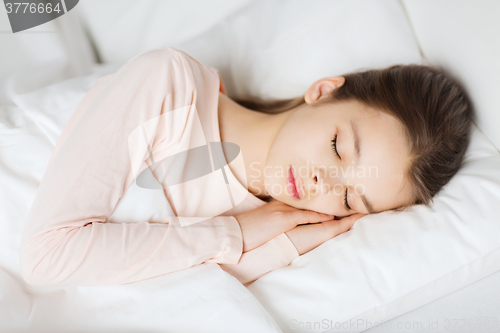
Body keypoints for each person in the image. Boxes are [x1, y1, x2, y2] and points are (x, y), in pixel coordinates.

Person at [19, 47, 472, 287]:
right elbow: (47, 256)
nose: (322, 183)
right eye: (337, 147)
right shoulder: (170, 85)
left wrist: (276, 248)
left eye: (350, 196)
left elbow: (150, 291)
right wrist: (236, 236)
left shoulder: (278, 242)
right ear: (324, 90)